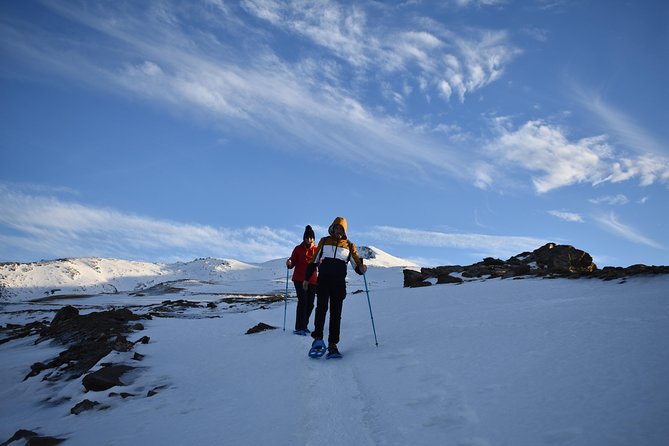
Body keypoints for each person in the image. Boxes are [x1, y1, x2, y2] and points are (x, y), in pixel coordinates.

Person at [303, 216, 367, 358]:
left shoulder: (349, 246)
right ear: (332, 228)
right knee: (321, 310)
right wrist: (306, 279)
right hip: (323, 281)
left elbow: (356, 265)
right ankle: (318, 339)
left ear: (344, 231)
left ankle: (333, 344)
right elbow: (313, 261)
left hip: (339, 284)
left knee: (336, 314)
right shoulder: (324, 241)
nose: (338, 230)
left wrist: (362, 269)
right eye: (336, 227)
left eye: (341, 228)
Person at [286, 225, 318, 336]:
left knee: (310, 304)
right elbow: (293, 261)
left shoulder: (317, 250)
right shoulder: (298, 249)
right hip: (299, 279)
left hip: (312, 280)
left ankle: (304, 325)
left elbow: (320, 264)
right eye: (306, 237)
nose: (308, 240)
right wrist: (289, 262)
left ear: (313, 238)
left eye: (310, 237)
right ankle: (299, 327)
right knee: (303, 301)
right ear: (304, 238)